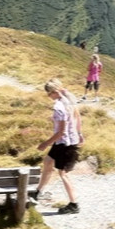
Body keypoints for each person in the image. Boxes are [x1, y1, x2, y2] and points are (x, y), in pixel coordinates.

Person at [33, 78, 82, 214]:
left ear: (54, 92)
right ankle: (38, 192)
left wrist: (45, 143)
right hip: (68, 140)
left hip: (65, 143)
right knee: (48, 161)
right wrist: (79, 133)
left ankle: (74, 204)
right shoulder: (69, 98)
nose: (49, 96)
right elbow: (78, 117)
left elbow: (61, 132)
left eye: (49, 94)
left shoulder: (59, 107)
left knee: (63, 173)